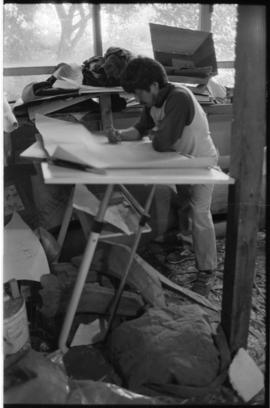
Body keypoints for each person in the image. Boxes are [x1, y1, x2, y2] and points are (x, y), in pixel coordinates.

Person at [107, 56, 218, 297]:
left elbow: (162, 142)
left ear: (154, 86)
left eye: (139, 93)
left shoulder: (178, 98)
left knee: (200, 212)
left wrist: (155, 137)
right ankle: (188, 247)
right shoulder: (153, 102)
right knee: (185, 206)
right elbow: (140, 130)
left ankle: (207, 270)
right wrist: (120, 135)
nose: (138, 99)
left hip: (201, 161)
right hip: (180, 160)